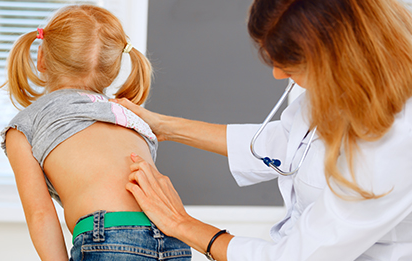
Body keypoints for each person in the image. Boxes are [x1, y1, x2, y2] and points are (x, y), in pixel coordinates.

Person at [113, 0, 412, 260]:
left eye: (293, 66)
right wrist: (165, 126)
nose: (277, 74)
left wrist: (180, 223)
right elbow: (285, 144)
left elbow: (294, 257)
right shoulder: (346, 87)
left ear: (339, 56)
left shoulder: (393, 142)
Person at [0, 5, 191, 261]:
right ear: (112, 71)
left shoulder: (26, 124)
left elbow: (41, 215)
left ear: (41, 58)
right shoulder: (129, 116)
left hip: (110, 239)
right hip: (172, 234)